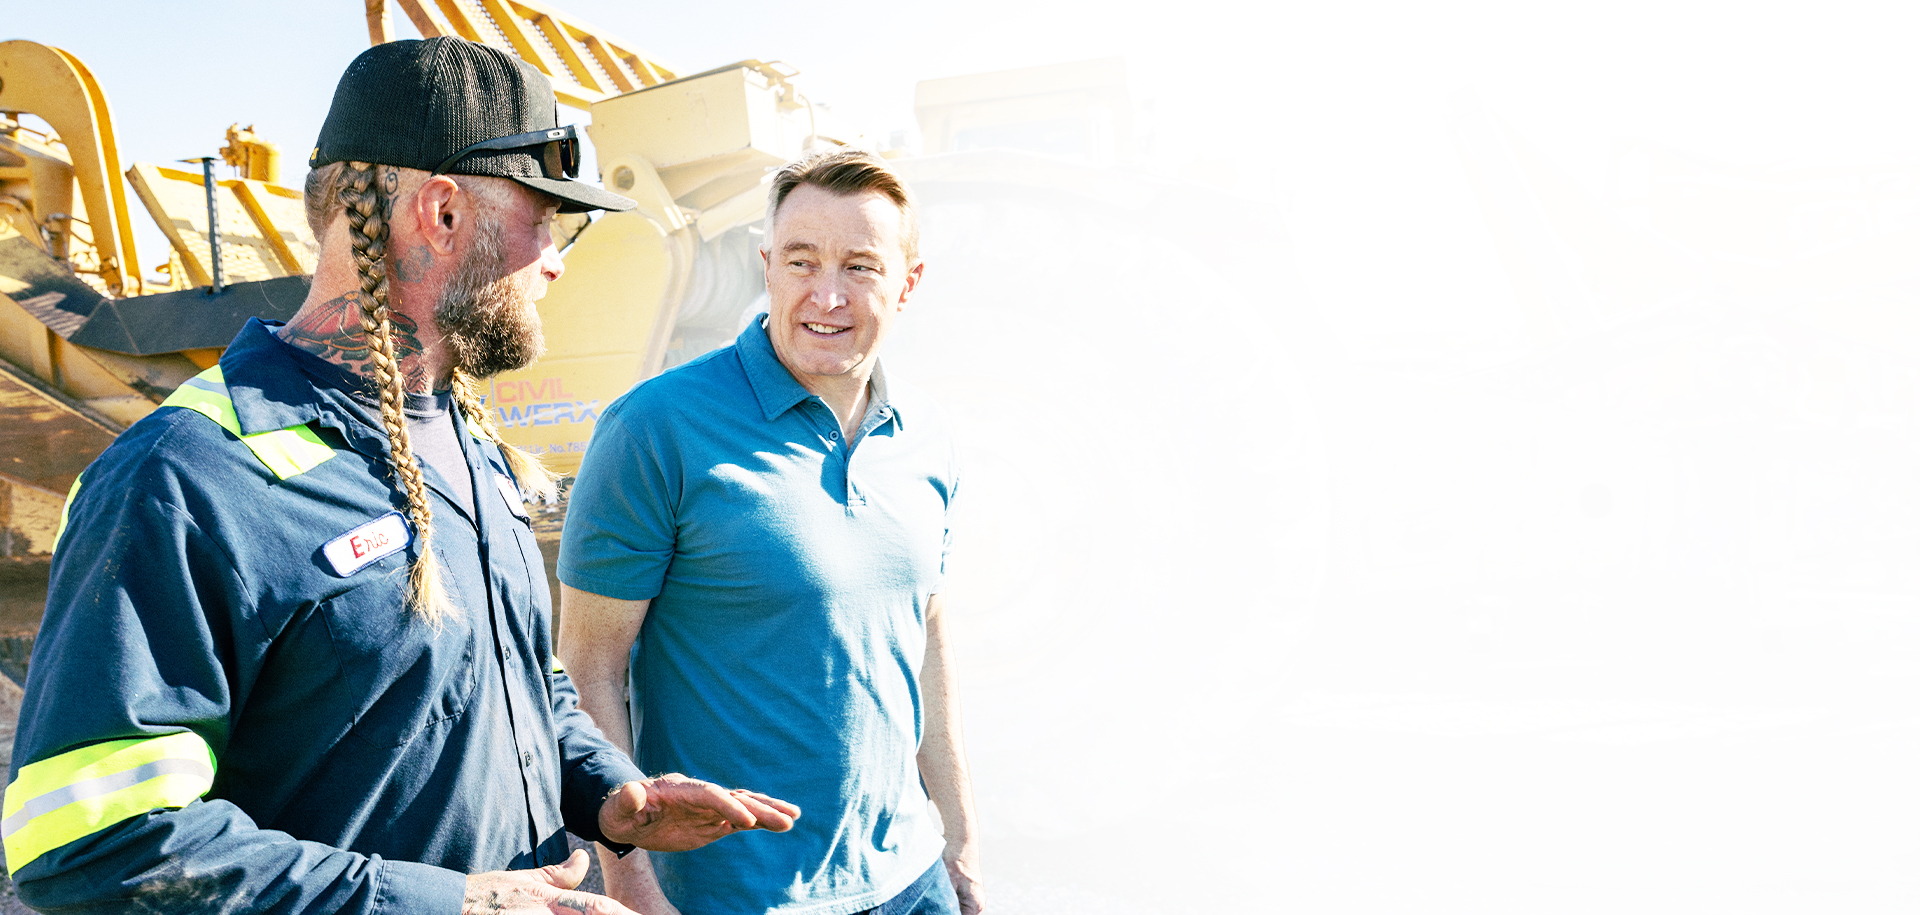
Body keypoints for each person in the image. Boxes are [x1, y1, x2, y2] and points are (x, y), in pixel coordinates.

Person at [0, 37, 797, 914]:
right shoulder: (186, 476)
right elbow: (88, 839)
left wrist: (612, 795)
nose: (558, 259)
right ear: (444, 213)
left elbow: (521, 675)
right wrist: (445, 902)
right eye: (545, 217)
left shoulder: (468, 445)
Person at [558, 147, 983, 915]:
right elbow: (590, 663)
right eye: (800, 260)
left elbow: (927, 636)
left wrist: (960, 843)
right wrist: (633, 886)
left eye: (861, 266)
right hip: (735, 894)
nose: (826, 293)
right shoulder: (655, 429)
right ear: (766, 266)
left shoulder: (930, 437)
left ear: (907, 283)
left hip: (911, 880)